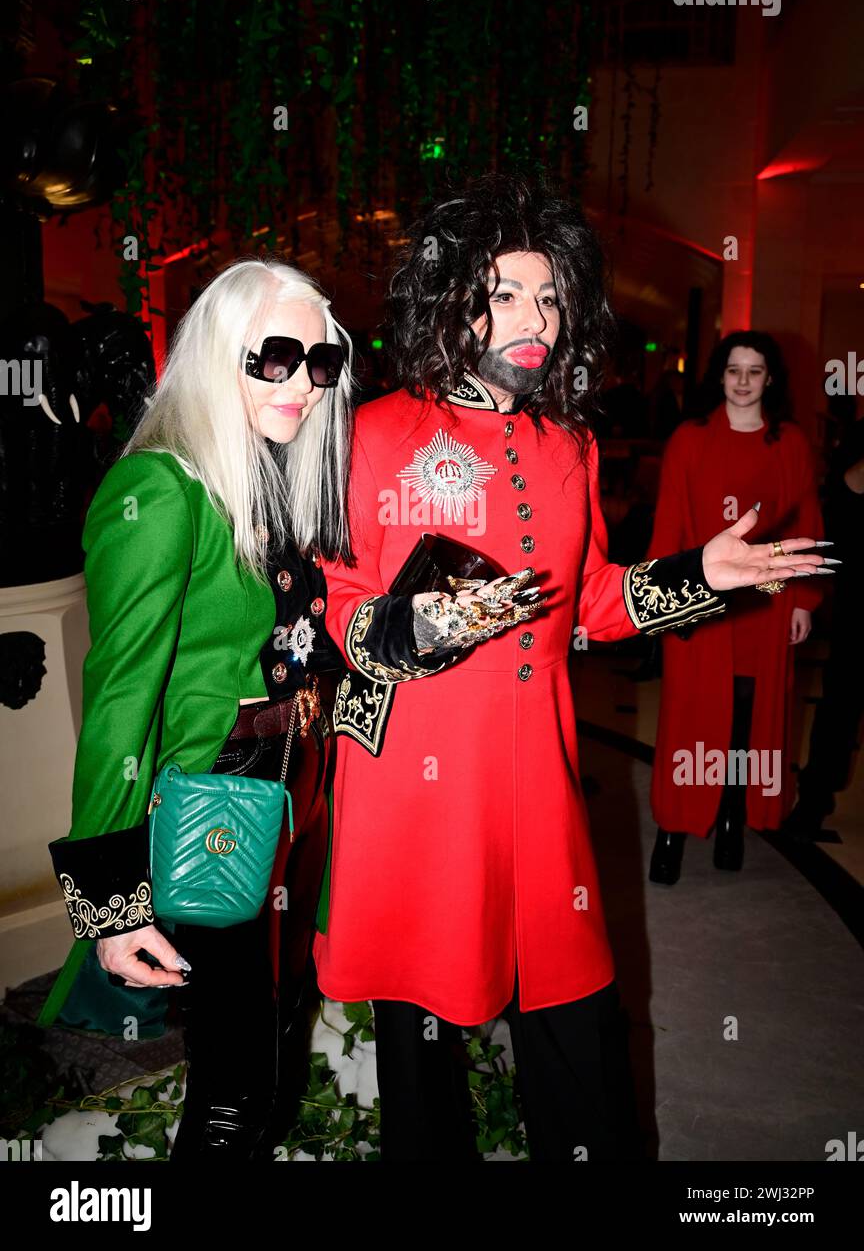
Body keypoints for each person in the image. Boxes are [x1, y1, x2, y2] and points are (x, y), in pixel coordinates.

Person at [312, 174, 829, 1161]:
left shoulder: (569, 445)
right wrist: (424, 622)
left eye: (549, 296)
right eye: (507, 292)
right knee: (421, 1055)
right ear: (450, 295)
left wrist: (698, 575)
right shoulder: (373, 434)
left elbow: (589, 602)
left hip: (539, 791)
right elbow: (340, 606)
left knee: (579, 1029)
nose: (536, 319)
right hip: (415, 794)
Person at [37, 257, 353, 1160]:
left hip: (292, 781)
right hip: (217, 796)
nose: (302, 383)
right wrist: (110, 903)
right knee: (233, 1076)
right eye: (276, 357)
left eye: (320, 363)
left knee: (280, 1024)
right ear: (219, 355)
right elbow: (119, 697)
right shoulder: (162, 490)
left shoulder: (260, 477)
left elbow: (289, 642)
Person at [647, 332, 830, 885]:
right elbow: (669, 526)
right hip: (701, 600)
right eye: (734, 371)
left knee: (746, 723)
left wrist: (802, 600)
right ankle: (672, 829)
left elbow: (806, 527)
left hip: (767, 603)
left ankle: (732, 814)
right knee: (687, 719)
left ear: (770, 378)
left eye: (755, 371)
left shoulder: (790, 443)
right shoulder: (689, 438)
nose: (744, 381)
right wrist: (666, 601)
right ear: (719, 377)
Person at [786, 417, 864, 839]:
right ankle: (813, 802)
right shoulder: (857, 438)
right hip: (857, 600)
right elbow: (837, 511)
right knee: (842, 700)